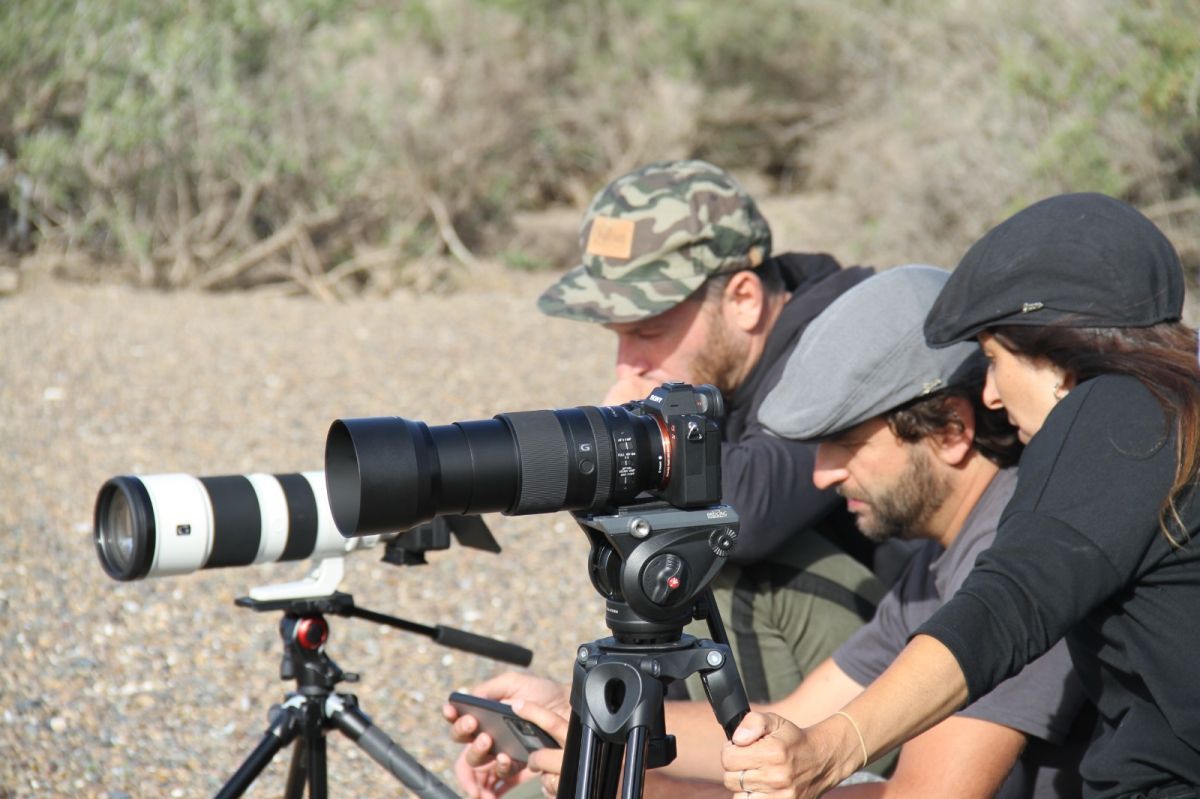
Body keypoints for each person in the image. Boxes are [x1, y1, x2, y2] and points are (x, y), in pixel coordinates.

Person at [446, 265, 1091, 799]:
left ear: (952, 431)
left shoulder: (1021, 556)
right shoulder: (939, 567)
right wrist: (582, 718)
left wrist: (654, 793)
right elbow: (800, 722)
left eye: (843, 443)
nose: (821, 476)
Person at [723, 193, 1200, 799]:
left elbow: (1008, 607)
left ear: (1061, 363)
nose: (993, 397)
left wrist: (832, 749)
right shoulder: (1174, 407)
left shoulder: (1115, 410)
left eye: (997, 361)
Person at [536, 159, 885, 704]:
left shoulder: (849, 336)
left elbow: (750, 512)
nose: (629, 362)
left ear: (743, 299)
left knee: (717, 553)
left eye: (648, 331)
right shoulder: (742, 355)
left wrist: (633, 433)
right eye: (618, 335)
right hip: (850, 654)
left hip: (938, 687)